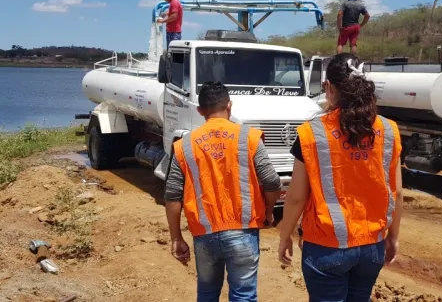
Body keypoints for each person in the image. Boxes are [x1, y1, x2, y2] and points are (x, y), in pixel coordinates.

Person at [277, 53, 404, 302]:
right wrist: (393, 237)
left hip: (326, 248)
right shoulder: (388, 130)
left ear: (328, 87)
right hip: (371, 247)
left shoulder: (312, 133)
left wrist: (285, 236)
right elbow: (396, 191)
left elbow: (295, 197)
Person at [164, 81, 282, 302]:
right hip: (243, 232)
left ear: (200, 111)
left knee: (207, 294)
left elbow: (172, 195)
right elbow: (272, 182)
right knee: (243, 296)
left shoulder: (185, 145)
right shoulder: (249, 137)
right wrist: (268, 212)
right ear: (229, 105)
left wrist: (176, 237)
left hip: (204, 234)